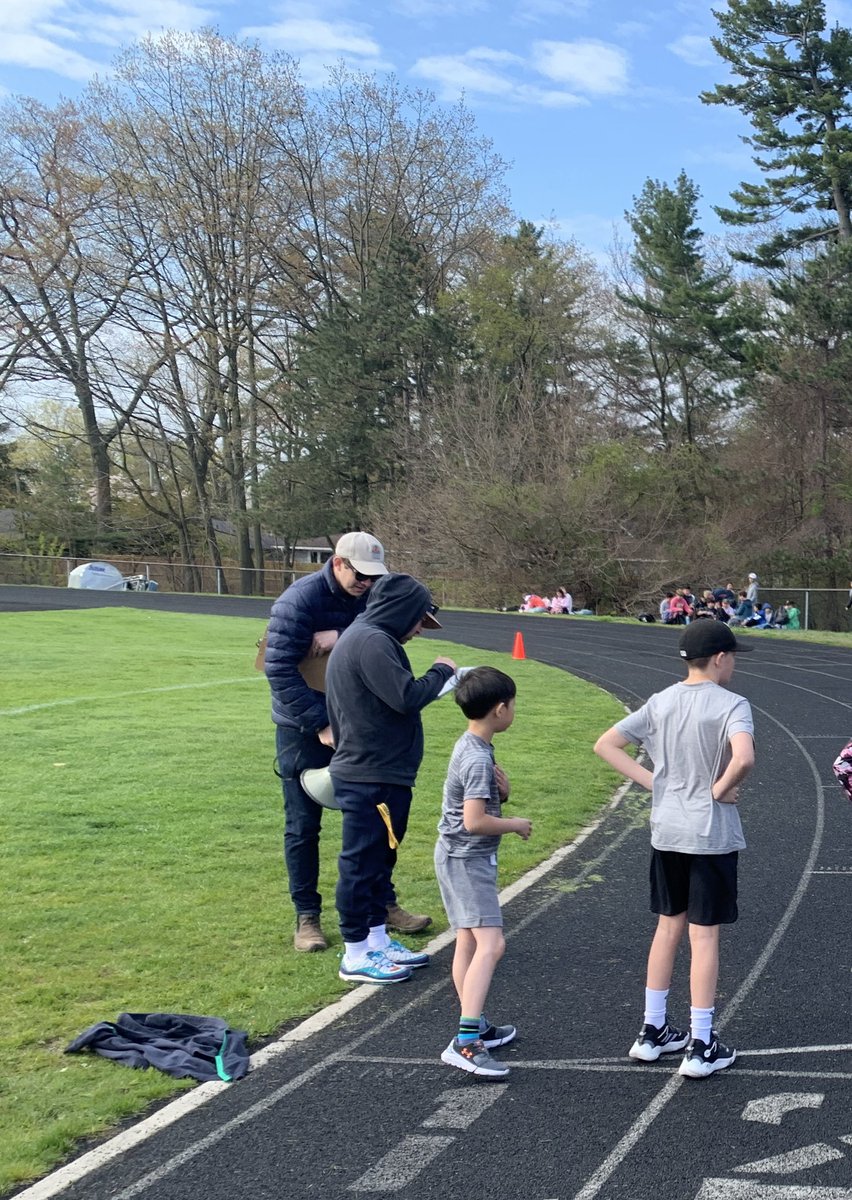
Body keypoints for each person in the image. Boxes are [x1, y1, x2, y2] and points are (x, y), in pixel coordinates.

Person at [593, 620, 755, 1079]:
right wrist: (720, 790)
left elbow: (606, 744)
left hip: (667, 830)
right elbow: (743, 757)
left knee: (668, 928)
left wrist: (655, 784)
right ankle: (702, 1042)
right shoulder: (732, 704)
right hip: (709, 834)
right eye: (734, 657)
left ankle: (653, 1030)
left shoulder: (661, 701)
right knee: (703, 936)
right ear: (721, 658)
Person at [264, 532, 430, 953]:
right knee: (303, 824)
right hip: (304, 728)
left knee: (377, 817)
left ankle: (381, 903)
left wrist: (339, 633)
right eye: (359, 573)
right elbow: (279, 669)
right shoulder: (297, 601)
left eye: (374, 576)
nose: (366, 583)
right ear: (337, 563)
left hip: (357, 724)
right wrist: (320, 724)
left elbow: (377, 630)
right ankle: (307, 917)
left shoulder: (368, 595)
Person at [326, 573, 457, 984]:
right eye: (419, 619)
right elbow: (406, 697)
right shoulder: (372, 641)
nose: (419, 629)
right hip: (369, 773)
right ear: (404, 612)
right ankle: (355, 952)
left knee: (380, 861)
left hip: (381, 771)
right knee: (361, 863)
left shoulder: (370, 638)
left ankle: (377, 941)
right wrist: (443, 671)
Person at [435, 667, 532, 1078]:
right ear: (499, 709)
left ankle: (475, 1025)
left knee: (468, 945)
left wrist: (501, 793)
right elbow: (474, 821)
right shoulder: (476, 756)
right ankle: (467, 1042)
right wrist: (515, 823)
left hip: (458, 857)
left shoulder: (473, 744)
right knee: (491, 945)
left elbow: (473, 802)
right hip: (466, 859)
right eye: (512, 704)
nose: (514, 711)